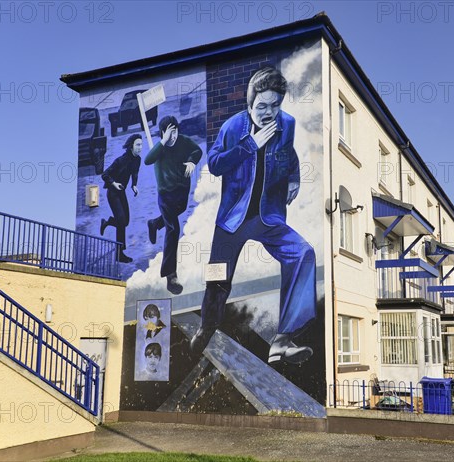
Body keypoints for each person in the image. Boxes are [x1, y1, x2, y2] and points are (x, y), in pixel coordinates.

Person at [190, 66, 316, 365]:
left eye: (275, 105)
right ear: (250, 105)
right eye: (262, 107)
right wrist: (251, 145)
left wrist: (295, 177)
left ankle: (283, 341)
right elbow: (216, 163)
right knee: (218, 280)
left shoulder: (287, 124)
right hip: (232, 220)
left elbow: (289, 153)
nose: (269, 112)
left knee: (303, 253)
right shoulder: (233, 128)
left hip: (266, 216)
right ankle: (208, 326)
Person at [145, 116, 202, 294]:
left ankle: (154, 223)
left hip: (181, 193)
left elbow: (197, 150)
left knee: (181, 211)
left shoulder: (184, 141)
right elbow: (147, 159)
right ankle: (171, 276)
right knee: (173, 229)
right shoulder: (159, 149)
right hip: (166, 196)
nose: (173, 136)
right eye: (170, 133)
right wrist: (162, 141)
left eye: (175, 131)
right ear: (163, 133)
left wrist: (192, 161)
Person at [100, 134, 142, 263]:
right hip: (113, 193)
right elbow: (105, 174)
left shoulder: (137, 159)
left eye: (141, 144)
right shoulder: (120, 160)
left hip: (121, 192)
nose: (140, 147)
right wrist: (113, 183)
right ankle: (120, 253)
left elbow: (135, 173)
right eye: (138, 145)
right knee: (122, 222)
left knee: (126, 221)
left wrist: (134, 185)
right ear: (131, 147)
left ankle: (107, 222)